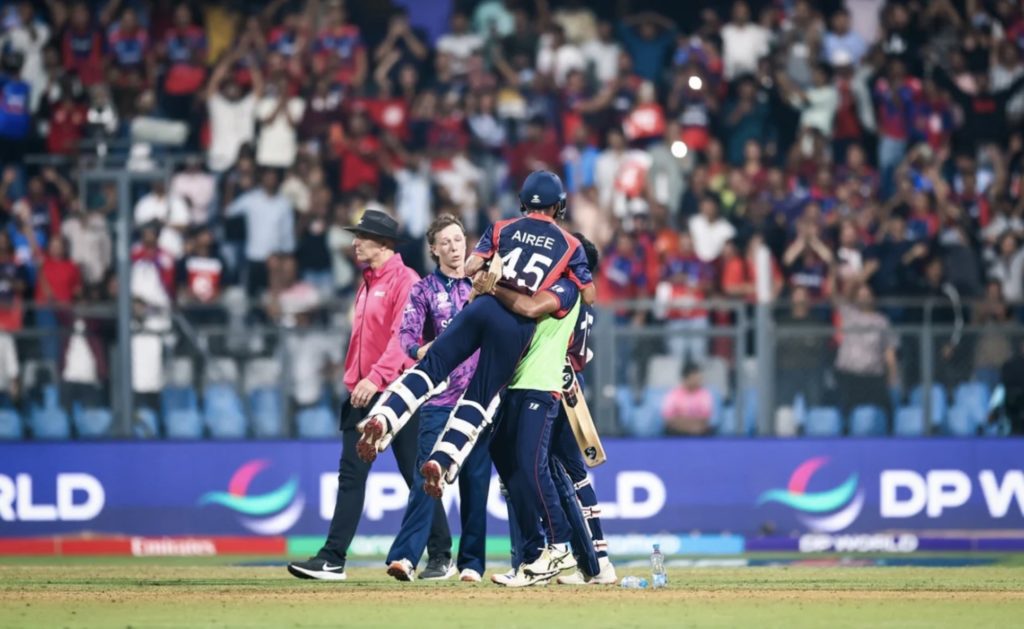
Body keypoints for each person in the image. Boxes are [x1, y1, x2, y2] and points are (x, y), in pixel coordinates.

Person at [356, 172, 594, 578]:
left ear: (524, 202)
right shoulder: (571, 246)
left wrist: (488, 282)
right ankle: (445, 460)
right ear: (558, 206)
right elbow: (583, 296)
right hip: (514, 327)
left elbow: (471, 267)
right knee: (480, 397)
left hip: (479, 305)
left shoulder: (501, 227)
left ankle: (385, 417)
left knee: (430, 368)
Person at [287, 209, 450, 582]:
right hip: (365, 391)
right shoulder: (368, 282)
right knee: (353, 474)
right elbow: (363, 341)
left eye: (363, 236)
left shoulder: (405, 281)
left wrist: (374, 379)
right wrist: (355, 379)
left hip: (397, 392)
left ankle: (440, 555)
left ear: (385, 244)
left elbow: (402, 340)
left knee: (415, 477)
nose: (355, 242)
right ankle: (332, 558)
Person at [486, 233, 617, 587]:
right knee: (570, 475)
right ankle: (595, 560)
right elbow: (583, 355)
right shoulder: (585, 304)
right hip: (569, 385)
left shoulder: (564, 294)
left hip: (550, 385)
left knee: (541, 471)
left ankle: (565, 558)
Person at [385, 214, 489, 583]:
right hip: (440, 401)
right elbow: (406, 338)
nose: (453, 247)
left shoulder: (485, 285)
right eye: (445, 242)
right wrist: (426, 350)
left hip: (480, 399)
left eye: (458, 239)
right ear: (433, 249)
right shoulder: (425, 290)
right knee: (425, 482)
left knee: (476, 483)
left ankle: (472, 564)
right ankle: (405, 558)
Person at [661, 363, 714, 436]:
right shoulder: (673, 394)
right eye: (695, 377)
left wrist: (689, 424)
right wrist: (688, 427)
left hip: (699, 430)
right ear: (686, 378)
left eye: (699, 377)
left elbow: (705, 419)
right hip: (677, 430)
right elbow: (668, 419)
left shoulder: (705, 394)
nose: (698, 380)